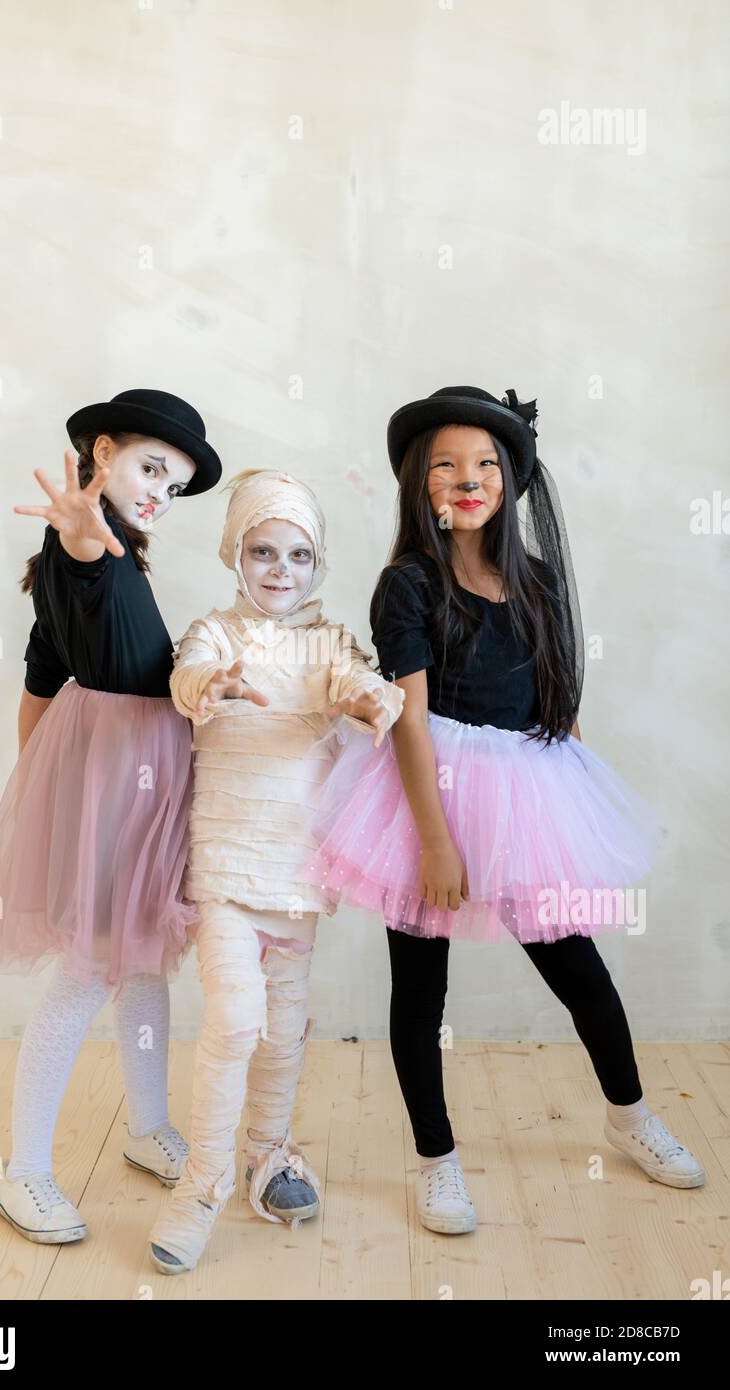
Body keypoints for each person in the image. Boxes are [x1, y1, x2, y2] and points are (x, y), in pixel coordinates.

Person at [304, 385, 706, 1236]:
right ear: (421, 482)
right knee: (420, 989)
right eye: (446, 465)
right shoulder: (407, 583)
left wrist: (578, 802)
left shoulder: (536, 580)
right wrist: (435, 841)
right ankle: (436, 1160)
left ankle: (629, 1114)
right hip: (429, 788)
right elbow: (408, 716)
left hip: (530, 785)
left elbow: (558, 699)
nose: (468, 478)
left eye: (486, 463)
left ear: (510, 480)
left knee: (581, 973)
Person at [0, 388, 222, 1243]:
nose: (159, 493)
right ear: (100, 451)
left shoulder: (121, 558)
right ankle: (25, 1170)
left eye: (174, 486)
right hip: (121, 788)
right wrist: (80, 523)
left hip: (137, 785)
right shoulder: (87, 544)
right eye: (151, 469)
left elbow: (41, 676)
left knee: (143, 964)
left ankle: (146, 1129)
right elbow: (78, 550)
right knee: (87, 973)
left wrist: (40, 780)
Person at [148, 468, 404, 1273]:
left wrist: (371, 701)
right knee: (234, 1023)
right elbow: (188, 679)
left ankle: (270, 1151)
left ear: (317, 564)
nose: (279, 571)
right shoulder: (215, 635)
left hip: (298, 874)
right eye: (263, 552)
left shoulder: (327, 643)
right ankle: (200, 1186)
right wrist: (209, 685)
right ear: (236, 554)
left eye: (297, 555)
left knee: (285, 1033)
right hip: (225, 867)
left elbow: (358, 683)